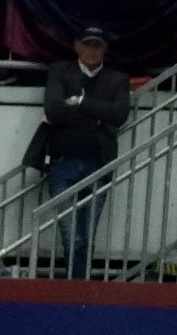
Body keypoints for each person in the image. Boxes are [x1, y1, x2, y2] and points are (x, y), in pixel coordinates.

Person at [43, 26, 130, 280]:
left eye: (98, 45)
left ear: (105, 48)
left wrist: (81, 103)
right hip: (62, 163)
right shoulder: (59, 70)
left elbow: (120, 115)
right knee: (72, 235)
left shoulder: (117, 78)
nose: (92, 50)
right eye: (88, 44)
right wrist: (97, 117)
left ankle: (78, 288)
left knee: (86, 236)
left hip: (99, 165)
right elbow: (53, 110)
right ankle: (77, 289)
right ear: (76, 46)